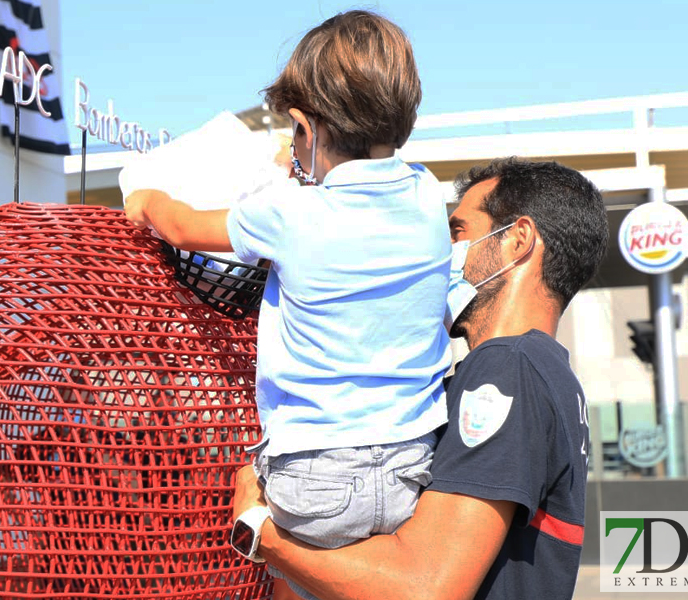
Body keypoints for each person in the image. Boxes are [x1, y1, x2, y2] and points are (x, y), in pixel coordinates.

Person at [125, 10, 450, 600]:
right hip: (412, 465)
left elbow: (180, 225)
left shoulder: (288, 214)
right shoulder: (430, 197)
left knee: (297, 584)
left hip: (313, 472)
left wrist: (143, 197)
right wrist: (300, 164)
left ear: (307, 124)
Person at [232, 157, 609, 600]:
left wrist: (263, 536)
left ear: (518, 241)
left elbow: (426, 588)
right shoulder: (547, 372)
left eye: (456, 232)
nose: (438, 252)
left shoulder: (508, 369)